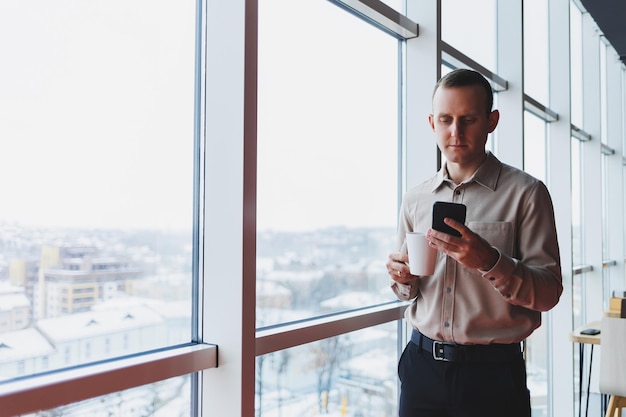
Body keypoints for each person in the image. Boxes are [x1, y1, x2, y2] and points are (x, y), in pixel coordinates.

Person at [386, 68, 563, 417]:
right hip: (421, 369)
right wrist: (402, 280)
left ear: (491, 121)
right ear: (431, 122)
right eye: (446, 119)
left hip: (493, 377)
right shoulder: (415, 198)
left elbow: (548, 293)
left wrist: (490, 261)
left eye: (468, 119)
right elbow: (409, 290)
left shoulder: (527, 194)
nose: (455, 131)